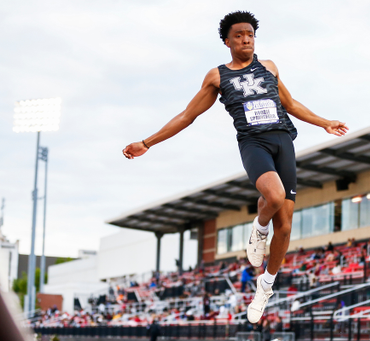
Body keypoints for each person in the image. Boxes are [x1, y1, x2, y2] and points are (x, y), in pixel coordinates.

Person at [122, 11, 348, 324]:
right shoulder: (217, 77)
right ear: (227, 41)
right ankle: (259, 227)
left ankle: (265, 286)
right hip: (253, 144)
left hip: (283, 140)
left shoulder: (269, 67)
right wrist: (147, 142)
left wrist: (326, 122)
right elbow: (188, 116)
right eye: (239, 35)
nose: (246, 40)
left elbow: (291, 104)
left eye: (250, 35)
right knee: (275, 196)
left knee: (285, 224)